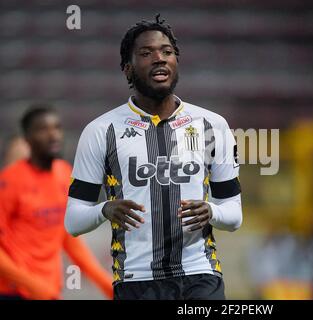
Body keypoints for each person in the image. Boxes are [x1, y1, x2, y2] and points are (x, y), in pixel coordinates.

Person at [64, 15, 243, 300]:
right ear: (127, 70)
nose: (159, 58)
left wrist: (212, 211)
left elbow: (233, 214)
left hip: (201, 275)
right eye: (146, 53)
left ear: (176, 62)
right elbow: (73, 221)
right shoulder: (101, 131)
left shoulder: (213, 125)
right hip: (136, 281)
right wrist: (104, 210)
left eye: (167, 52)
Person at [0, 106, 113, 300]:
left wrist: (105, 283)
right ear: (27, 138)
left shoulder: (64, 173)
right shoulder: (9, 182)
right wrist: (32, 285)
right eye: (43, 129)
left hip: (49, 289)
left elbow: (67, 237)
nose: (53, 135)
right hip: (14, 291)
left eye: (57, 127)